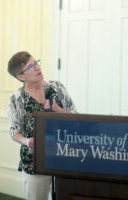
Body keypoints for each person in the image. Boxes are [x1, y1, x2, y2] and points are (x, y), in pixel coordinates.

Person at [7, 51, 77, 200]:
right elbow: (14, 132)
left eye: (36, 63)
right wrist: (26, 141)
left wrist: (58, 110)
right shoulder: (16, 99)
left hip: (63, 156)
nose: (37, 68)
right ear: (21, 76)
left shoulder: (57, 88)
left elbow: (75, 117)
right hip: (34, 161)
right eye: (31, 67)